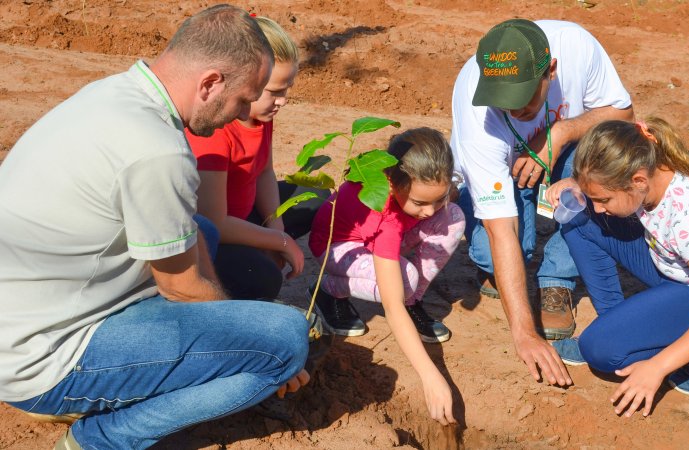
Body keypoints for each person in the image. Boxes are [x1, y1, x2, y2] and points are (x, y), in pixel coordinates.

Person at [0, 5, 310, 449]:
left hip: (27, 316)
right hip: (43, 359)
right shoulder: (158, 151)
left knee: (203, 229)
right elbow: (182, 288)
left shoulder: (116, 94)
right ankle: (101, 438)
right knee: (285, 340)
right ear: (210, 83)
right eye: (243, 99)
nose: (241, 114)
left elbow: (188, 232)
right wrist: (258, 344)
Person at [450, 18, 633, 386]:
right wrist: (524, 335)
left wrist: (560, 133)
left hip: (566, 155)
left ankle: (557, 279)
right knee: (494, 248)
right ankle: (507, 269)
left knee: (599, 155)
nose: (513, 112)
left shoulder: (577, 46)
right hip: (501, 172)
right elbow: (502, 228)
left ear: (550, 69)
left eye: (522, 100)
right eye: (503, 102)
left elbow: (624, 116)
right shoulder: (476, 113)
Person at [546, 118, 689, 417]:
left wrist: (657, 367)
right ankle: (618, 323)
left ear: (637, 181)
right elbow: (599, 198)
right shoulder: (649, 165)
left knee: (601, 352)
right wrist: (578, 184)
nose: (599, 206)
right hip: (673, 265)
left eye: (604, 199)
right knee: (578, 219)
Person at [308, 127, 465, 425]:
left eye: (437, 197)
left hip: (377, 238)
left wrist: (436, 201)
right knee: (402, 281)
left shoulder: (421, 194)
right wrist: (431, 376)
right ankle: (328, 290)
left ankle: (413, 300)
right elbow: (391, 307)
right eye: (420, 202)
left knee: (453, 216)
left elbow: (437, 203)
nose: (429, 210)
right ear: (392, 183)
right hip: (339, 247)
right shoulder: (387, 216)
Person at [186, 15, 327, 300]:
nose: (283, 100)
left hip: (244, 212)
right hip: (217, 233)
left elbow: (264, 171)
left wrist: (275, 226)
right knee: (263, 279)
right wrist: (281, 241)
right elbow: (216, 222)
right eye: (275, 91)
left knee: (321, 199)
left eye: (287, 89)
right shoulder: (216, 130)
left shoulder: (261, 114)